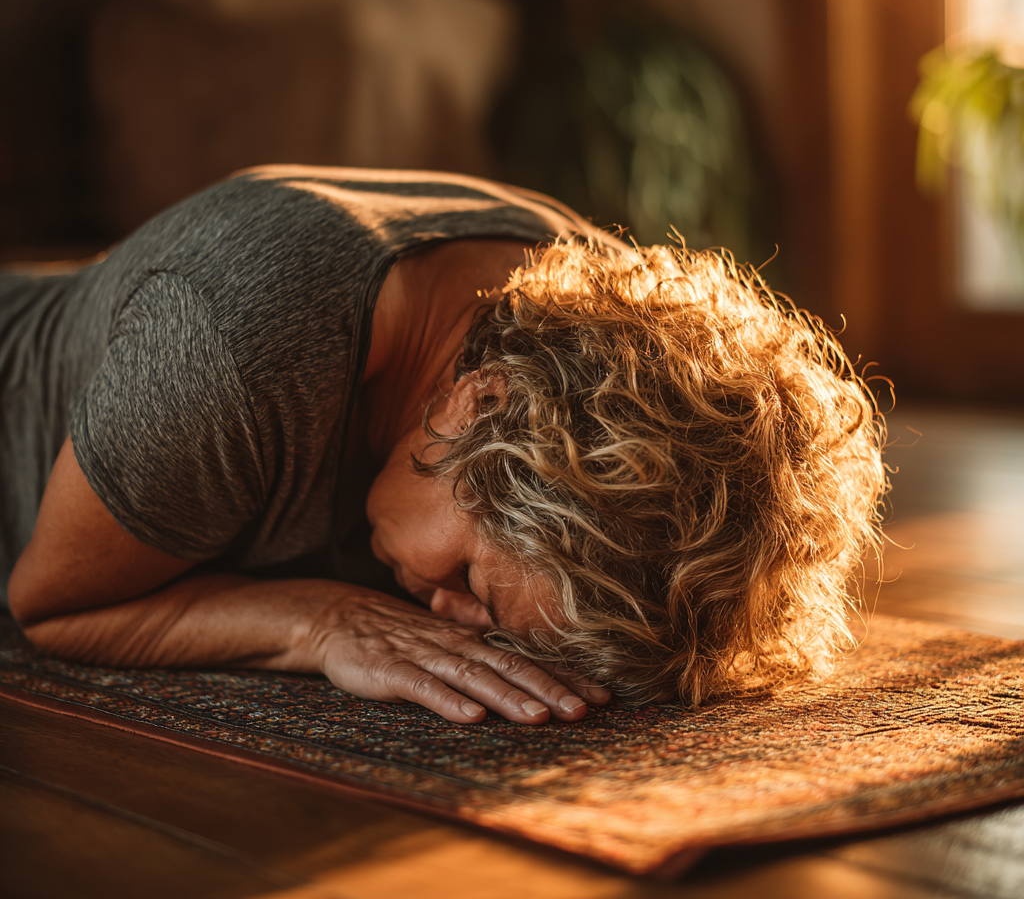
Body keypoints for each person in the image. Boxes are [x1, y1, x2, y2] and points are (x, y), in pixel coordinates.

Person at [3, 166, 886, 725]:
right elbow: (53, 607)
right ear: (480, 401)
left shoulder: (587, 316)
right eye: (469, 581)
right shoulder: (232, 347)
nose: (446, 621)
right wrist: (321, 619)